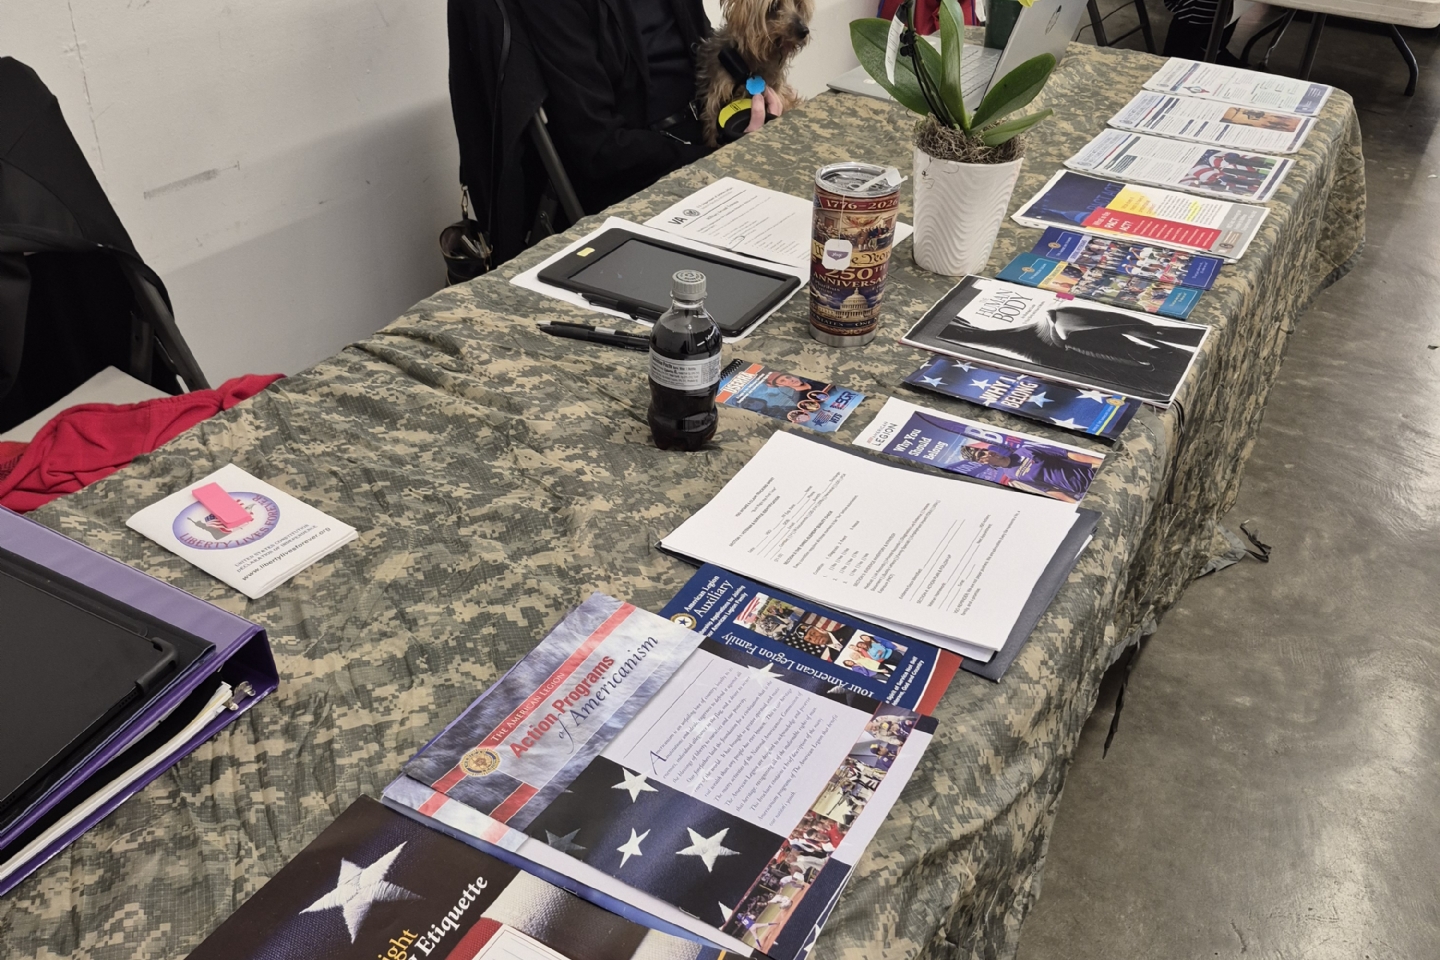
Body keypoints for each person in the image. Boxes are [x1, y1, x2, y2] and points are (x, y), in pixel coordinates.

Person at [518, 0, 784, 214]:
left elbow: (708, 50)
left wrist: (750, 103)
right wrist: (712, 159)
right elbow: (598, 147)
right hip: (641, 176)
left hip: (707, 138)